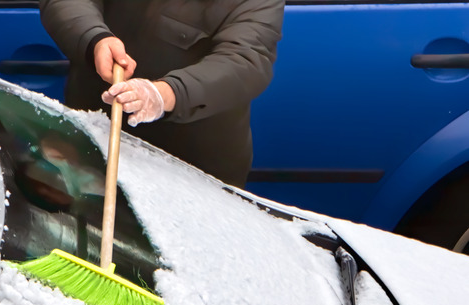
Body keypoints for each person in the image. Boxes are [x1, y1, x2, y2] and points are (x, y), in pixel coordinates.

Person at [39, 0, 285, 188]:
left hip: (191, 168)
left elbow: (246, 60)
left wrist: (164, 94)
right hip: (96, 140)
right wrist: (94, 38)